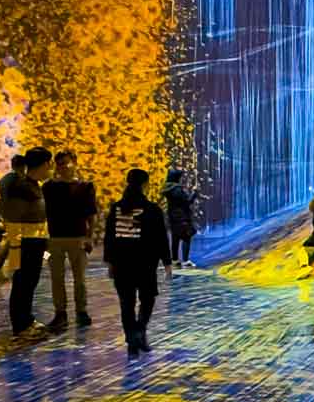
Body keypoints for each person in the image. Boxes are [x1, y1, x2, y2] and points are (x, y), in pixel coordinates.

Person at [103, 168, 173, 356]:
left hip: (121, 264)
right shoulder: (152, 210)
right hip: (145, 264)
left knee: (126, 303)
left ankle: (132, 337)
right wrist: (167, 263)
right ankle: (139, 331)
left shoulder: (117, 208)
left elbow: (109, 238)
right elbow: (161, 239)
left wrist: (109, 262)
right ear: (145, 185)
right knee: (147, 299)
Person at [43, 151, 98, 330]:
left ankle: (81, 311)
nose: (61, 167)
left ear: (74, 163)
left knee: (79, 278)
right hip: (55, 238)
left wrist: (90, 236)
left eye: (65, 163)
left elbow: (91, 215)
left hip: (78, 237)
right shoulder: (48, 187)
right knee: (56, 278)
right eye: (58, 164)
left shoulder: (85, 186)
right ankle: (61, 313)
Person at [3, 148, 54, 336]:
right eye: (49, 164)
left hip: (36, 242)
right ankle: (20, 325)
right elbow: (14, 217)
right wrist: (16, 247)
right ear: (41, 165)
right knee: (22, 283)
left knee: (30, 282)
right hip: (25, 243)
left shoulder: (34, 185)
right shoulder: (22, 187)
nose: (50, 168)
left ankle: (27, 319)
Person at [0, 155, 27, 278]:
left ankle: (1, 267)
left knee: (13, 241)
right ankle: (5, 268)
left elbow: (0, 200)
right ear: (23, 166)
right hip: (18, 216)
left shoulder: (4, 180)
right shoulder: (20, 180)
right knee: (16, 241)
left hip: (9, 215)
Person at [162, 169, 198, 269]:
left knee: (175, 238)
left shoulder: (168, 189)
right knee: (187, 237)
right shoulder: (177, 189)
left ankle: (175, 260)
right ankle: (185, 261)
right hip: (182, 217)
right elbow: (187, 201)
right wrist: (194, 194)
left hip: (172, 217)